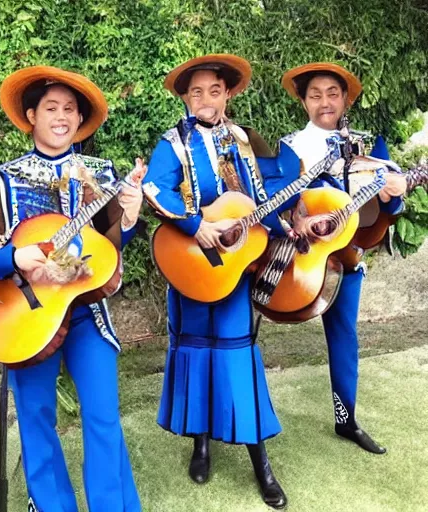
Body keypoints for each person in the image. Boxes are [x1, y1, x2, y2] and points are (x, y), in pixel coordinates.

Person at [0, 66, 144, 512]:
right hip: (26, 315)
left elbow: (110, 249)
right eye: (51, 108)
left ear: (79, 120)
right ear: (31, 115)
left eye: (70, 109)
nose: (61, 117)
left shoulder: (100, 175)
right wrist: (13, 259)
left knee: (102, 416)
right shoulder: (1, 181)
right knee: (36, 417)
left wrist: (131, 216)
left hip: (87, 315)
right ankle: (50, 504)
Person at [143, 54, 294, 510]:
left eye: (213, 90)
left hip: (235, 268)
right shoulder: (172, 143)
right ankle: (201, 444)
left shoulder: (246, 141)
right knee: (195, 353)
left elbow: (265, 197)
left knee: (237, 358)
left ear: (228, 93)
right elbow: (154, 188)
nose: (205, 99)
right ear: (186, 99)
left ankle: (261, 462)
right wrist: (195, 225)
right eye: (195, 92)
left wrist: (287, 226)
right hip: (191, 264)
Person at [279, 62, 407, 454]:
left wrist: (394, 192)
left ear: (346, 98)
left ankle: (346, 418)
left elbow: (392, 208)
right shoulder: (290, 148)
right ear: (303, 101)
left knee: (344, 336)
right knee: (251, 329)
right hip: (297, 258)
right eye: (314, 95)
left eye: (332, 93)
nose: (324, 102)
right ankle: (245, 420)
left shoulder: (369, 147)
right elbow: (281, 202)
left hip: (347, 259)